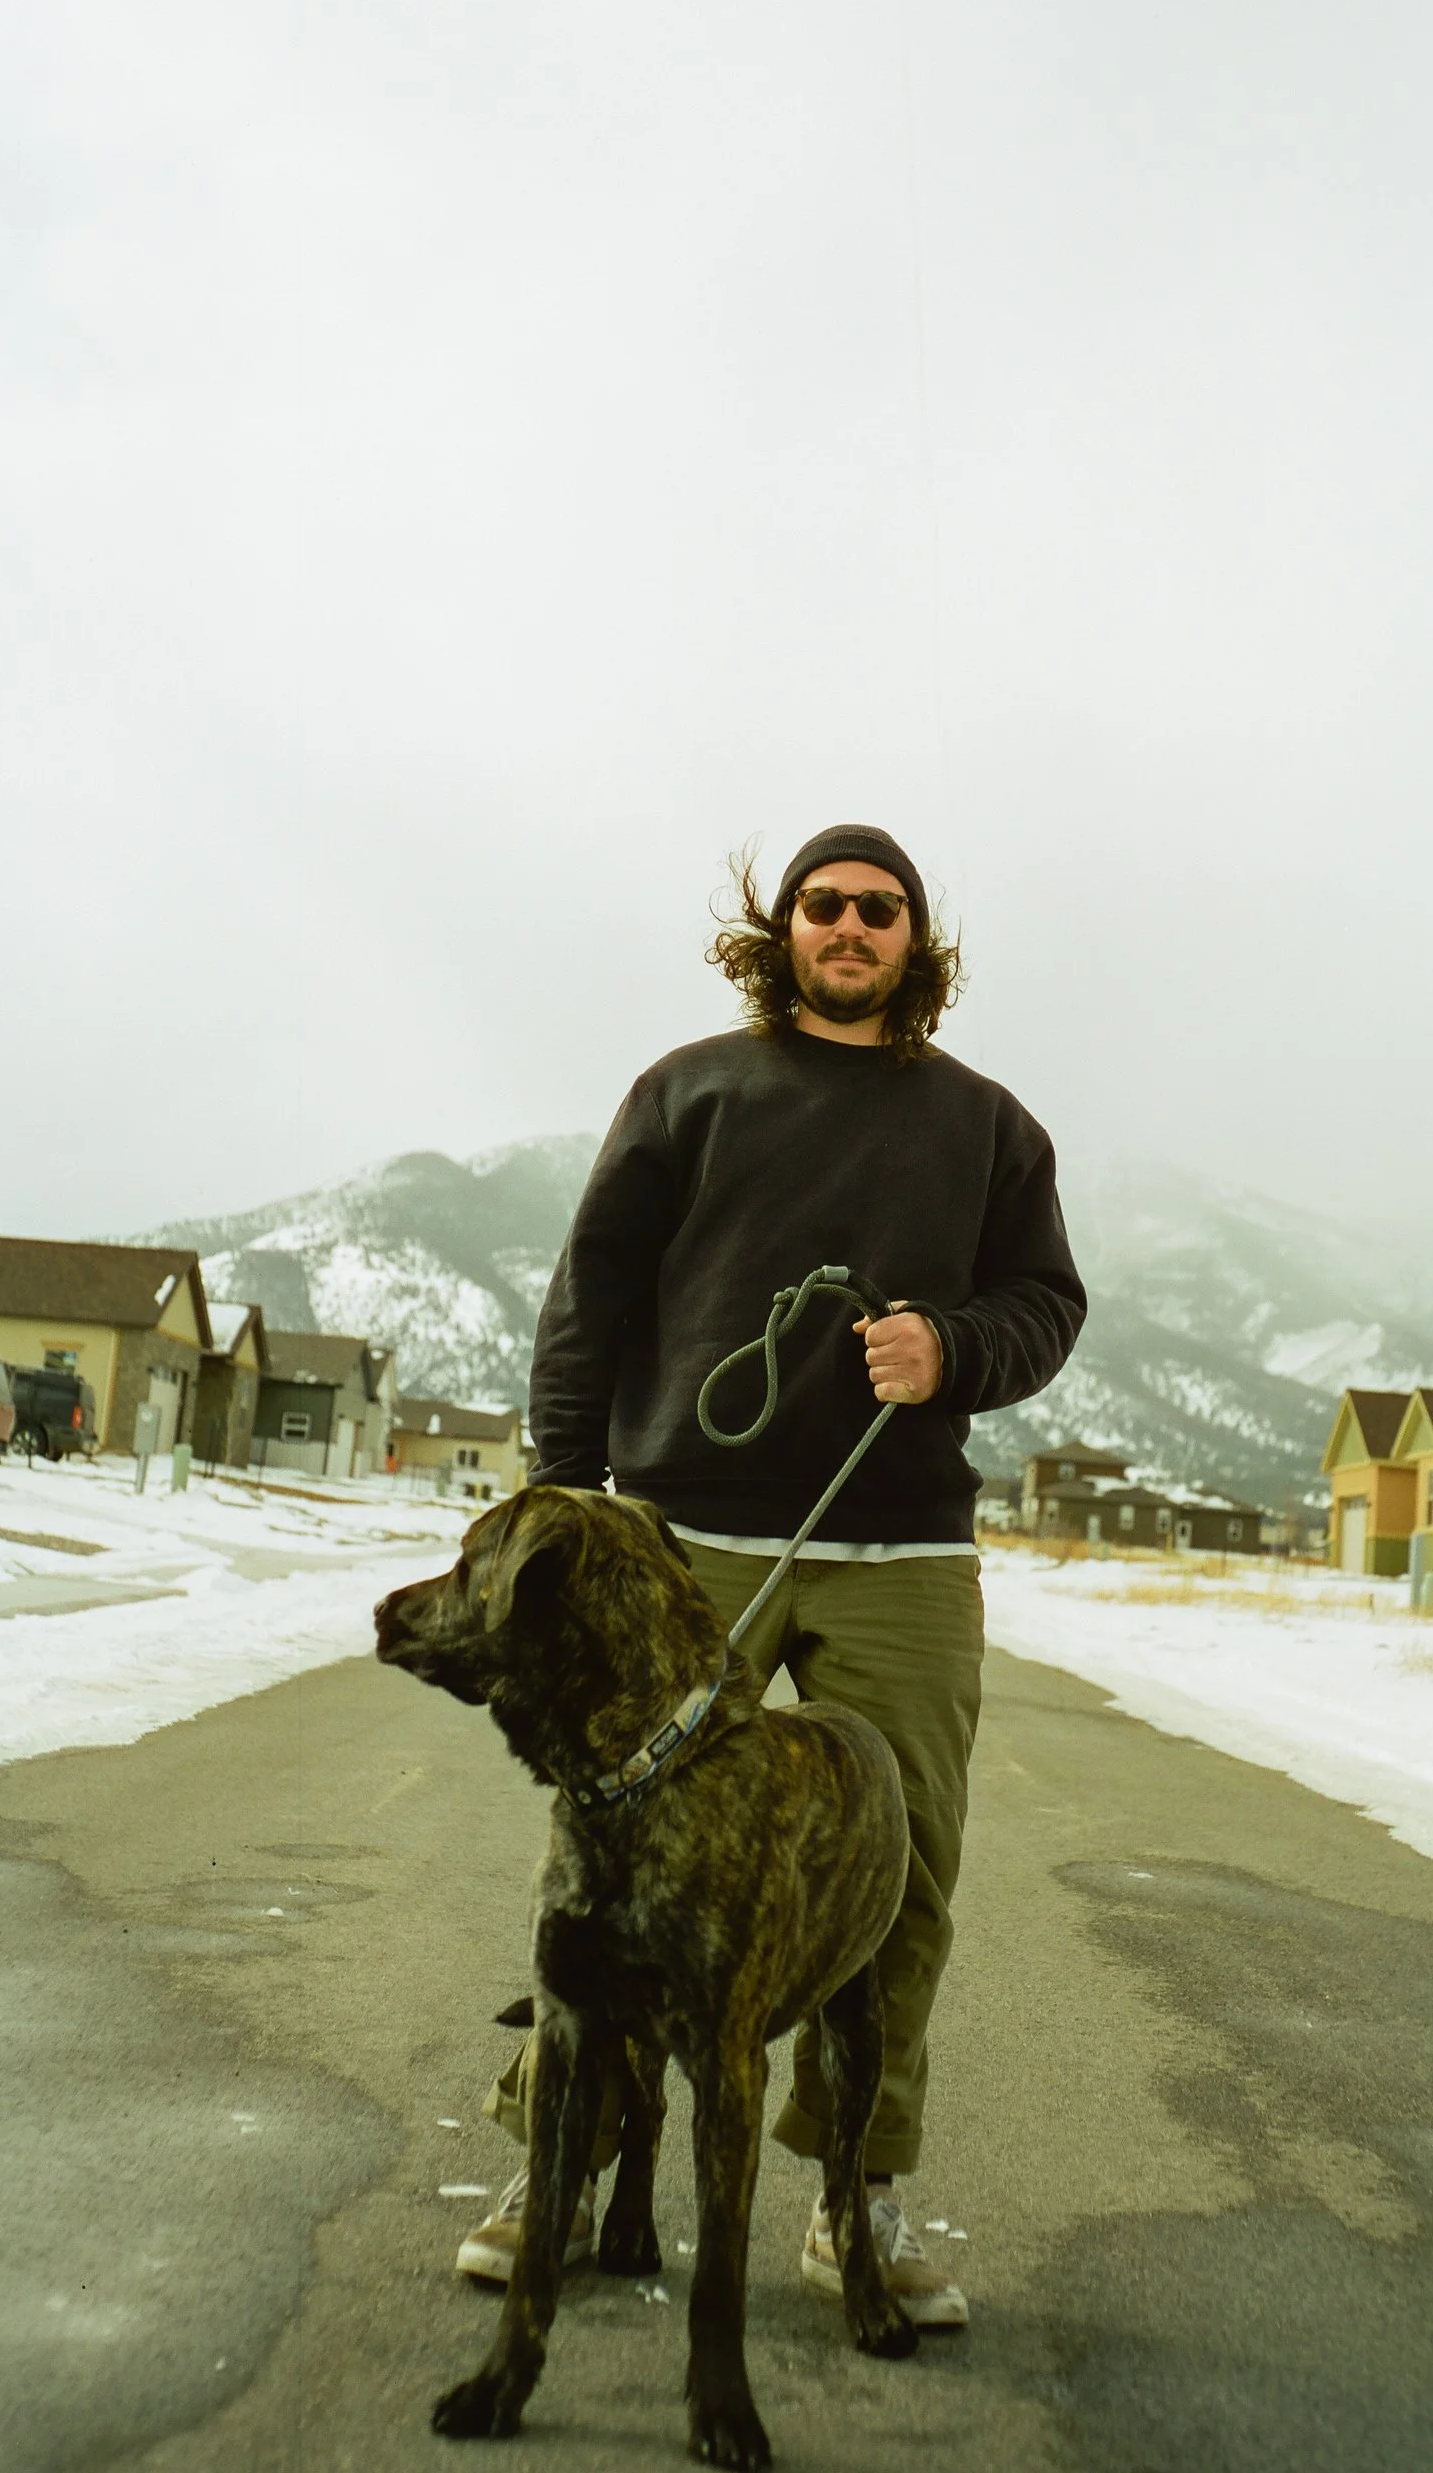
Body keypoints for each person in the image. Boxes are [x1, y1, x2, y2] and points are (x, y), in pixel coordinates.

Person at [456, 822, 1085, 2329]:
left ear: (915, 944)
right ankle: (562, 2156)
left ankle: (853, 2198)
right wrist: (568, 1484)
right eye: (825, 906)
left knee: (901, 1873)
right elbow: (591, 1288)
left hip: (904, 1548)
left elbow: (1048, 1304)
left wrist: (953, 1351)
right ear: (781, 929)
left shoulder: (990, 1129)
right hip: (690, 1537)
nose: (851, 927)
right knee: (617, 1871)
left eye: (880, 910)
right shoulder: (690, 1092)